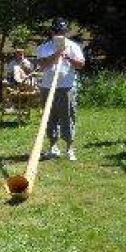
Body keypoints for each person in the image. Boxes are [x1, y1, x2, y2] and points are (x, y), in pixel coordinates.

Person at [35, 18, 85, 161]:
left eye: (62, 32)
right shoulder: (44, 47)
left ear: (65, 32)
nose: (59, 34)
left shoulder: (73, 46)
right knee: (49, 118)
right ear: (52, 32)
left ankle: (69, 148)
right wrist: (55, 55)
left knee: (68, 116)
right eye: (57, 31)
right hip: (47, 86)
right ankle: (53, 146)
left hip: (66, 87)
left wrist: (67, 57)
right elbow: (41, 66)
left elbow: (81, 64)